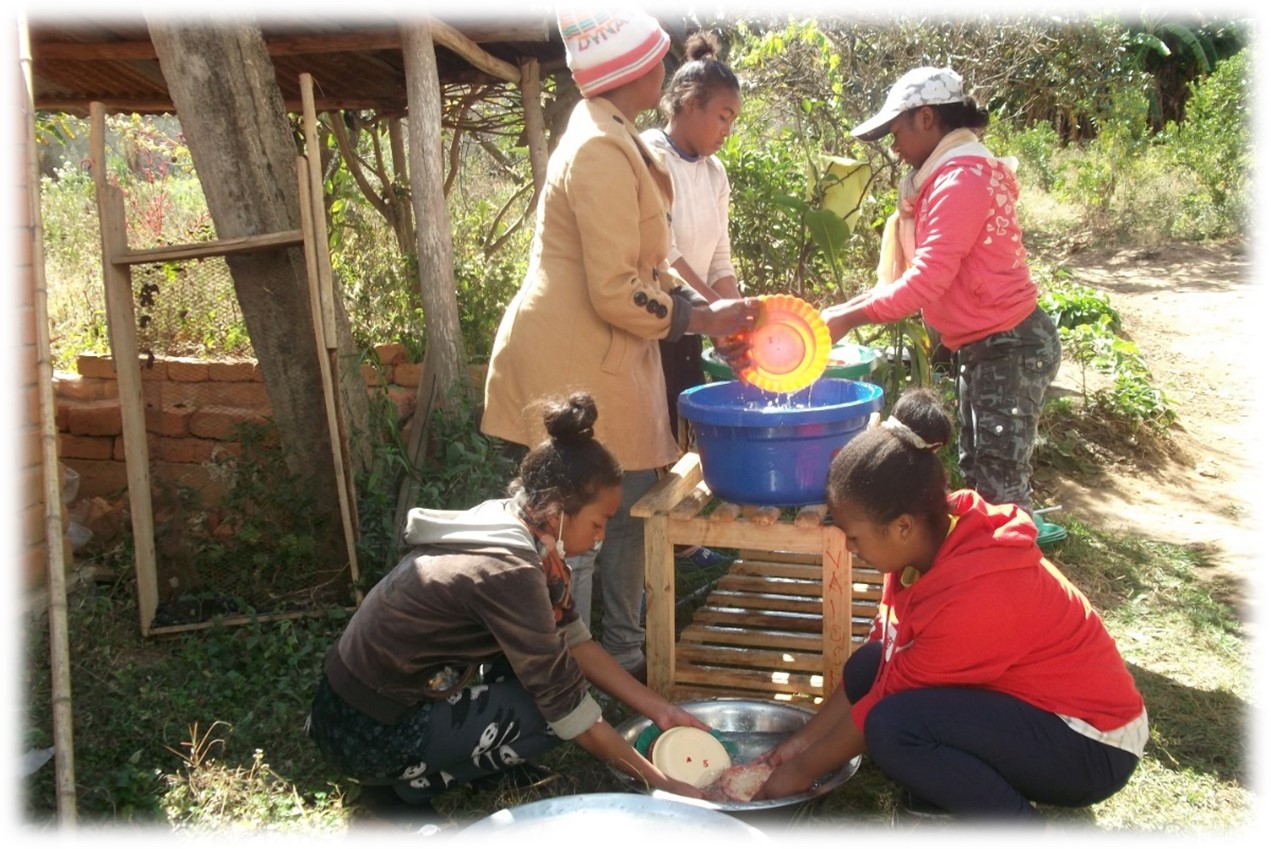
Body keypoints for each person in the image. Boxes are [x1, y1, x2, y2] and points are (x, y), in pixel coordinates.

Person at [481, 8, 760, 681]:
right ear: (634, 70)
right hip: (573, 362)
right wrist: (701, 320)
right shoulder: (601, 149)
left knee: (632, 505)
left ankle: (622, 653)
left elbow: (650, 265)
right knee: (573, 521)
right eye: (657, 57)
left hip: (607, 358)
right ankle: (566, 666)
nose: (664, 68)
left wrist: (714, 318)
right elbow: (614, 287)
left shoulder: (615, 137)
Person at [751, 388, 1148, 821]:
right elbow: (885, 660)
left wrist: (796, 775)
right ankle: (957, 785)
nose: (848, 548)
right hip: (1031, 707)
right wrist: (798, 745)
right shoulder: (930, 540)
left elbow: (888, 700)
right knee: (866, 666)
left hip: (1091, 745)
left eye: (854, 537)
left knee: (892, 730)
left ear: (902, 526)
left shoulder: (977, 596)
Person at [307, 392, 711, 816]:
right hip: (366, 732)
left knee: (555, 679)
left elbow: (574, 640)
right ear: (557, 510)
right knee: (553, 713)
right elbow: (568, 708)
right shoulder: (512, 569)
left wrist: (662, 711)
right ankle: (399, 785)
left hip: (343, 707)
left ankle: (428, 772)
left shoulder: (512, 522)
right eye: (598, 523)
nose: (600, 539)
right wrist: (663, 783)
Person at [821, 66, 1062, 513]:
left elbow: (928, 278)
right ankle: (983, 572)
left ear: (927, 119)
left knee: (1000, 487)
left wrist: (850, 317)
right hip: (986, 345)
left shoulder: (961, 178)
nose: (894, 147)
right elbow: (915, 278)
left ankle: (1007, 576)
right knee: (980, 469)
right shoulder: (944, 177)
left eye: (896, 132)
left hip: (1009, 345)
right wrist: (843, 309)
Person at [641, 29, 743, 571]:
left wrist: (739, 317)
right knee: (651, 427)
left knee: (683, 422)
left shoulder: (714, 172)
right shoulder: (649, 156)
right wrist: (714, 316)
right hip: (654, 317)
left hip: (693, 318)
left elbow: (718, 261)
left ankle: (683, 541)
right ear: (687, 105)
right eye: (722, 116)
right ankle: (649, 549)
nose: (728, 130)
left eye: (733, 120)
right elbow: (667, 254)